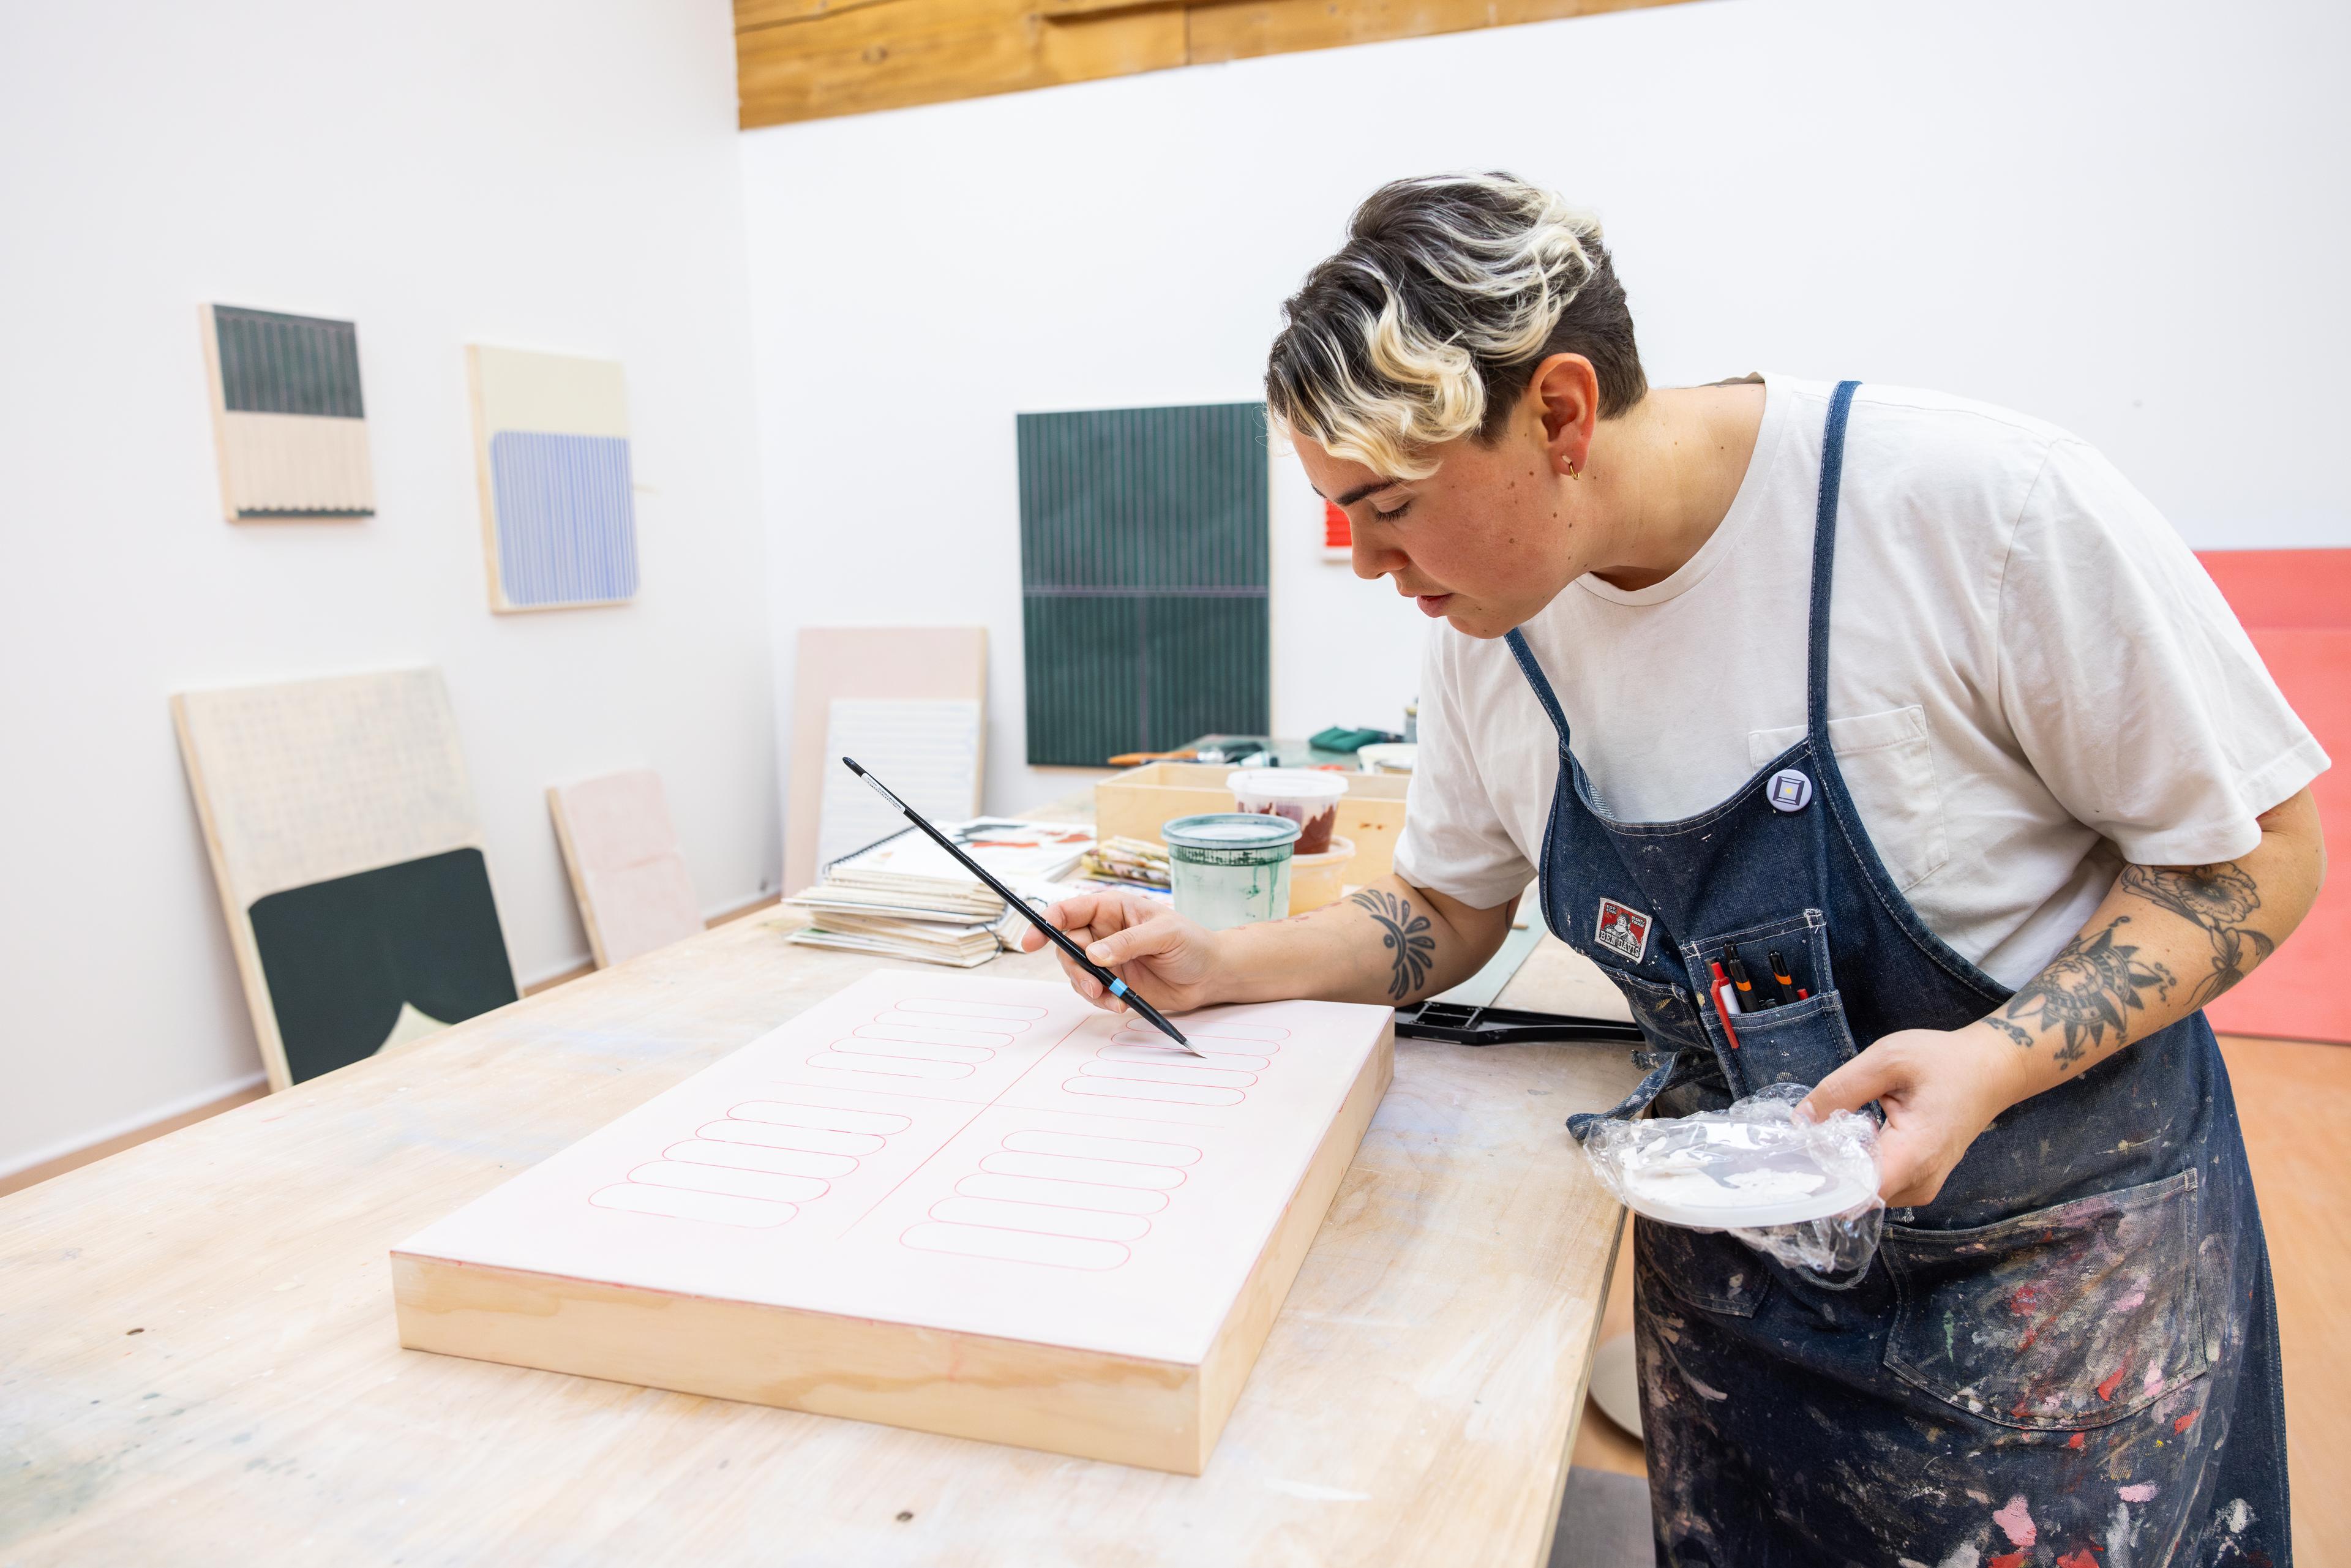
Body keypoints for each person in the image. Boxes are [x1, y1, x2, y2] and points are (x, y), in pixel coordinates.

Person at [1025, 173, 2323, 1563]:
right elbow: (1450, 907)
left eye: (1391, 506)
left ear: (1563, 415)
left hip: (2048, 1311)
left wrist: (1993, 1062)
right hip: (1736, 1319)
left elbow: (2255, 864)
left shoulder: (1975, 511)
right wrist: (1224, 961)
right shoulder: (1489, 629)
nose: (1365, 562)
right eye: (1345, 513)